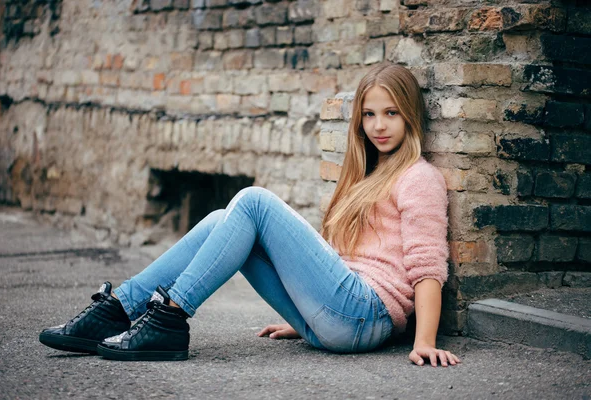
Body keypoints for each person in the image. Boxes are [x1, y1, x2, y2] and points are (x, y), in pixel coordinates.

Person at [39, 63, 460, 367]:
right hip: (337, 319)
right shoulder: (368, 174)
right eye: (369, 114)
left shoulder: (418, 177)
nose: (378, 125)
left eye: (391, 113)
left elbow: (427, 267)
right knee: (223, 218)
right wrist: (305, 315)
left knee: (253, 201)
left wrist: (424, 341)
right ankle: (118, 309)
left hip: (366, 314)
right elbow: (337, 261)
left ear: (411, 115)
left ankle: (169, 316)